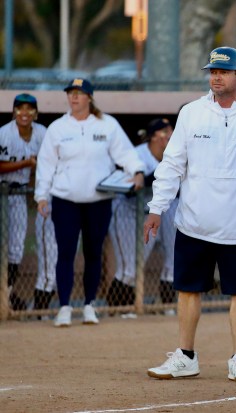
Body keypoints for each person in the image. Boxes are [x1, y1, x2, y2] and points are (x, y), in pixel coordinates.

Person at [145, 46, 236, 381]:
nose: (216, 77)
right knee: (187, 290)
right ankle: (185, 355)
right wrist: (156, 208)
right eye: (212, 71)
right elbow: (172, 165)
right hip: (194, 222)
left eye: (223, 72)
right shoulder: (191, 113)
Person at [35, 78, 145, 327]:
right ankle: (64, 306)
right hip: (65, 200)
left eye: (79, 93)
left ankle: (88, 305)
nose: (74, 98)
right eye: (71, 93)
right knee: (65, 253)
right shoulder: (58, 128)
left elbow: (125, 153)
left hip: (98, 200)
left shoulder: (107, 125)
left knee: (93, 253)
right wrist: (41, 195)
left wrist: (137, 171)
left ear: (89, 98)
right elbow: (46, 164)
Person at [107, 118, 177, 315]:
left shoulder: (171, 156)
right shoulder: (137, 155)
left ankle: (128, 308)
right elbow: (127, 188)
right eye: (166, 133)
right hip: (125, 213)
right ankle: (118, 309)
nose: (170, 137)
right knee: (128, 267)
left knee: (138, 266)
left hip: (148, 216)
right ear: (155, 136)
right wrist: (158, 174)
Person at [0, 93, 47, 311]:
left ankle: (6, 297)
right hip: (1, 191)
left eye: (29, 109)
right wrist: (26, 163)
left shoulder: (42, 133)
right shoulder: (4, 134)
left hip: (18, 194)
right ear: (14, 112)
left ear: (35, 113)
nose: (24, 113)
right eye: (20, 108)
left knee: (16, 248)